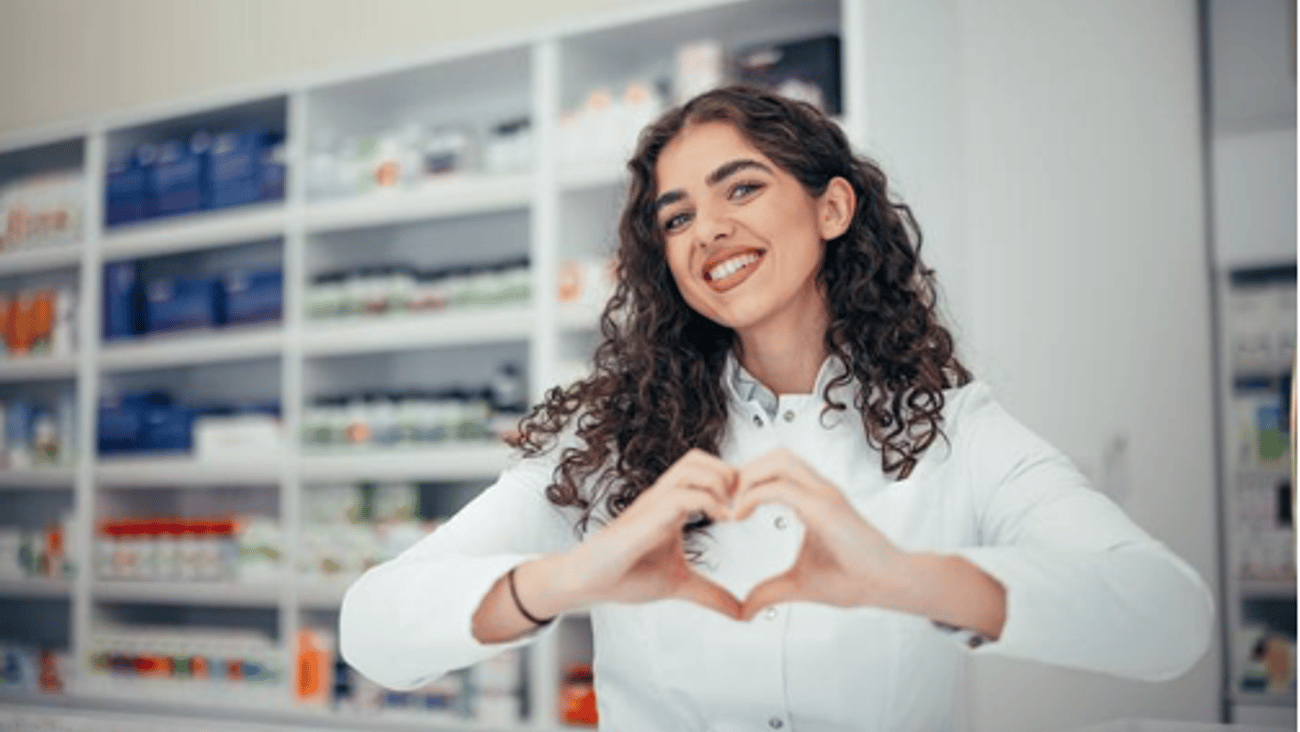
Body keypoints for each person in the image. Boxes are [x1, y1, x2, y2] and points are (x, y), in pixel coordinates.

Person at [340, 86, 1214, 731]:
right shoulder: (610, 438)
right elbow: (372, 628)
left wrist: (903, 578)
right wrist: (575, 576)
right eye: (676, 219)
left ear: (833, 206)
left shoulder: (952, 429)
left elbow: (1168, 620)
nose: (707, 230)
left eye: (742, 189)